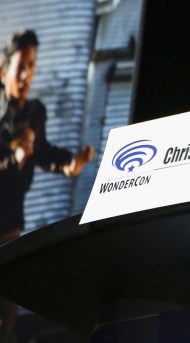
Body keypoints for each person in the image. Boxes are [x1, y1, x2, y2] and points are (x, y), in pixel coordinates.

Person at [0, 29, 95, 343]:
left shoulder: (34, 114)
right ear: (3, 72)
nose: (27, 74)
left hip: (10, 234)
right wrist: (12, 159)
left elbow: (42, 153)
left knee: (7, 322)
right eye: (21, 66)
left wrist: (70, 163)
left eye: (32, 65)